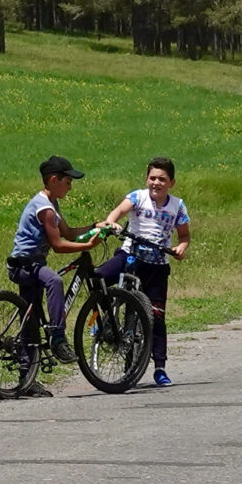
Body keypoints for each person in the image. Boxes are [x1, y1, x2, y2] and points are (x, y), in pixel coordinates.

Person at [96, 157, 192, 388]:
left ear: (171, 183)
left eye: (162, 179)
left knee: (156, 315)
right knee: (99, 276)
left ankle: (159, 367)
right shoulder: (137, 197)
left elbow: (184, 236)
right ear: (146, 179)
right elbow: (118, 212)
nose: (156, 183)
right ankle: (105, 319)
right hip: (131, 254)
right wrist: (111, 223)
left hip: (157, 264)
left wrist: (181, 248)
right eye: (152, 178)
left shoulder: (177, 206)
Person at [9, 155, 99, 377]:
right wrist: (87, 245)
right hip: (25, 265)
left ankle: (26, 377)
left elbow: (68, 233)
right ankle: (58, 336)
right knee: (54, 280)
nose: (70, 187)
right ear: (53, 180)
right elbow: (58, 245)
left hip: (33, 263)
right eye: (67, 182)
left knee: (31, 319)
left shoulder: (52, 204)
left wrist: (96, 226)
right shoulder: (45, 209)